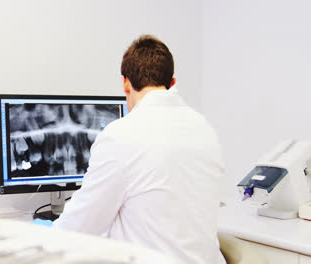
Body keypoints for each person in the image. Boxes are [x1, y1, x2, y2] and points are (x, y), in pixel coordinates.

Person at [52, 35, 226, 263]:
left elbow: (79, 227)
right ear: (172, 83)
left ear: (125, 82)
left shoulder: (121, 135)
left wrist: (41, 233)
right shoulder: (205, 128)